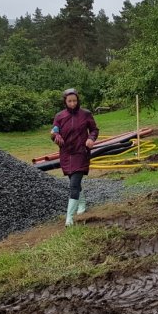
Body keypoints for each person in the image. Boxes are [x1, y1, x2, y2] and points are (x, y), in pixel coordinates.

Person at [51, 88, 99, 226]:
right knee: (74, 181)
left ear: (78, 101)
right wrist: (55, 136)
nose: (72, 103)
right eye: (69, 101)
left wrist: (91, 139)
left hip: (81, 152)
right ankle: (82, 202)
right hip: (66, 153)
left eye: (75, 101)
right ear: (65, 102)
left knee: (73, 184)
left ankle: (69, 219)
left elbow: (94, 130)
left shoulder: (85, 114)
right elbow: (54, 132)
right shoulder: (59, 116)